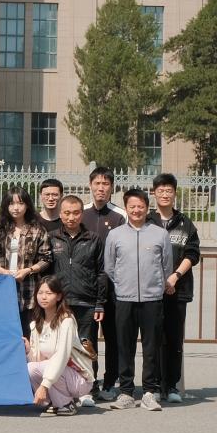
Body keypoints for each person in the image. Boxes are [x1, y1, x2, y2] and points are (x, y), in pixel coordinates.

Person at [105, 189, 173, 412]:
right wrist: (122, 284)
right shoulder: (115, 235)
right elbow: (110, 267)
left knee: (151, 347)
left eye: (140, 206)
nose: (136, 210)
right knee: (125, 347)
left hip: (152, 299)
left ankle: (149, 392)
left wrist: (156, 285)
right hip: (124, 299)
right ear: (126, 208)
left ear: (147, 207)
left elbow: (166, 266)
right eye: (132, 206)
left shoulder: (160, 234)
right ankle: (126, 392)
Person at [49, 193, 106, 407]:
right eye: (66, 213)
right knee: (58, 346)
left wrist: (100, 302)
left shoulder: (93, 239)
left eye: (75, 213)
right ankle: (61, 387)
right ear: (60, 214)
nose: (71, 217)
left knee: (86, 345)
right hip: (60, 302)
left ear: (82, 214)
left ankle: (88, 388)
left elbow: (101, 272)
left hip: (86, 301)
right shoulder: (52, 237)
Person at [148, 173, 201, 404]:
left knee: (174, 339)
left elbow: (193, 253)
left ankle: (172, 386)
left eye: (169, 190)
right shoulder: (147, 221)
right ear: (154, 193)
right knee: (153, 339)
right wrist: (161, 280)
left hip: (178, 290)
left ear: (174, 194)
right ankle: (154, 385)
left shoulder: (185, 223)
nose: (165, 194)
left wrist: (175, 277)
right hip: (151, 291)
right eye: (160, 190)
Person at [81, 167, 126, 401]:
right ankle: (90, 382)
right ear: (90, 185)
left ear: (112, 187)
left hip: (113, 287)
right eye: (97, 183)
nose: (101, 188)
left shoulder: (120, 215)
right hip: (87, 287)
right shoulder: (81, 213)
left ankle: (110, 382)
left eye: (105, 184)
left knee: (113, 337)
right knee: (87, 338)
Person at [0, 186, 53, 335]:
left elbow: (46, 258)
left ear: (27, 205)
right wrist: (3, 272)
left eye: (20, 203)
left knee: (28, 333)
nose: (16, 208)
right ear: (6, 206)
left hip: (29, 291)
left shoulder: (37, 230)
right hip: (2, 290)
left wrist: (28, 270)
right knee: (5, 334)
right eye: (11, 203)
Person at [25, 276, 95, 416]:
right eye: (40, 293)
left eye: (49, 293)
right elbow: (38, 362)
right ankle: (53, 402)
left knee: (51, 364)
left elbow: (61, 356)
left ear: (58, 296)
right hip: (58, 374)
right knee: (30, 368)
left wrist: (44, 385)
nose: (43, 297)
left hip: (79, 380)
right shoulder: (36, 323)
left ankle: (66, 404)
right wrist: (28, 350)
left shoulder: (66, 320)